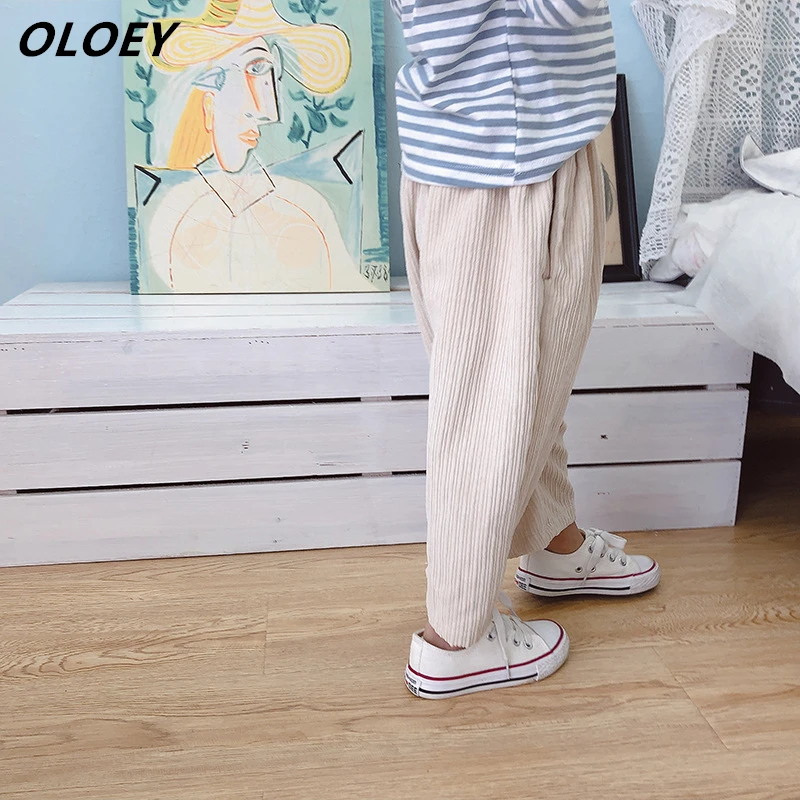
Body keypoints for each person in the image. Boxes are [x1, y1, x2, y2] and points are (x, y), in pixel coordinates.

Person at [391, 0, 661, 699]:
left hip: (493, 150)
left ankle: (553, 540)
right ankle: (457, 635)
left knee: (528, 382)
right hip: (508, 167)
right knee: (494, 407)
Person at [138, 0, 375, 293]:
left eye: (272, 76)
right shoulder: (172, 211)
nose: (268, 111)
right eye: (255, 70)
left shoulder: (307, 205)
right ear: (208, 102)